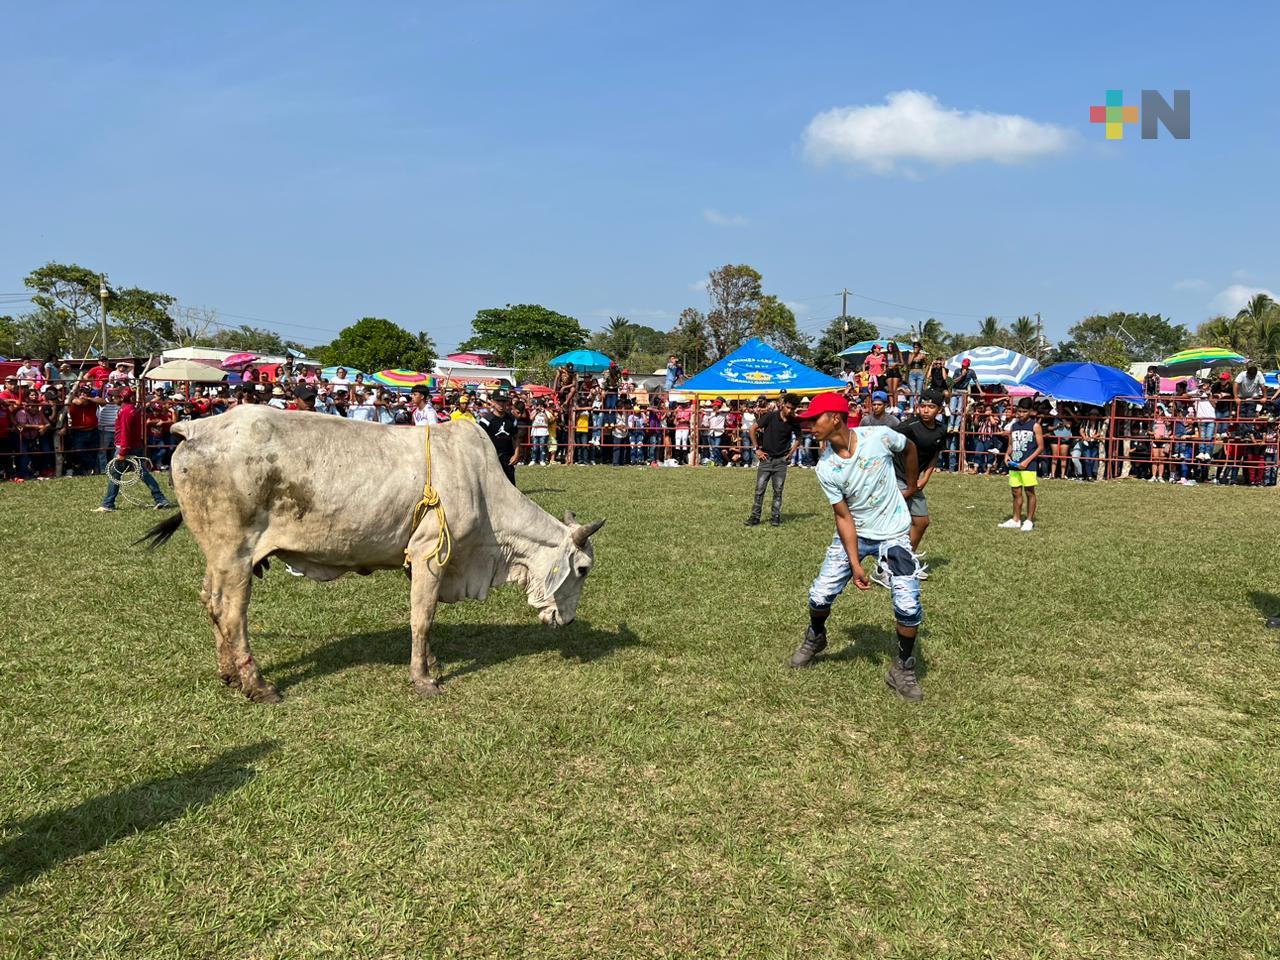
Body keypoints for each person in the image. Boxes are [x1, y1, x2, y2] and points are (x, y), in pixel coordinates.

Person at [788, 392, 926, 703]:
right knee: (819, 595)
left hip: (893, 533)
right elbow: (843, 517)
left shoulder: (879, 437)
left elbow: (910, 447)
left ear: (835, 418)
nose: (810, 426)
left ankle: (902, 668)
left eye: (814, 419)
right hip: (856, 533)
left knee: (908, 605)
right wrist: (855, 563)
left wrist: (911, 486)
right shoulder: (826, 467)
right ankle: (816, 635)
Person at [890, 388, 947, 562]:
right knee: (896, 522)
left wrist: (926, 478)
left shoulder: (941, 430)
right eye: (923, 406)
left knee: (922, 522)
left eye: (931, 407)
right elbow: (887, 440)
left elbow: (934, 454)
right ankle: (889, 563)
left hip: (914, 481)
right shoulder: (908, 426)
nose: (926, 410)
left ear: (940, 409)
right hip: (897, 475)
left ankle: (905, 560)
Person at [95, 388, 173, 511]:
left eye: (115, 396)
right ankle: (160, 498)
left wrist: (122, 451)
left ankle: (108, 504)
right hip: (135, 446)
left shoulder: (125, 411)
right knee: (142, 473)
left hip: (126, 447)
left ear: (121, 398)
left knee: (115, 474)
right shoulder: (131, 409)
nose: (113, 398)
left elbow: (125, 433)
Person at [745, 392, 802, 527]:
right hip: (766, 458)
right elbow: (752, 429)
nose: (790, 411)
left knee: (778, 490)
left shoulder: (794, 421)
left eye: (793, 409)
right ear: (783, 405)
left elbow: (799, 436)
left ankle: (775, 516)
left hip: (781, 461)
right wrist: (756, 449)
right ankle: (755, 517)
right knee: (759, 490)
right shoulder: (771, 416)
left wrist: (792, 452)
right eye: (788, 407)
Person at [999, 398, 1045, 531]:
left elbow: (1040, 447)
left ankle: (1029, 520)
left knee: (1029, 492)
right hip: (1015, 463)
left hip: (1028, 465)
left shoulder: (1035, 426)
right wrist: (1007, 455)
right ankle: (1016, 519)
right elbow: (1011, 444)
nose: (1021, 414)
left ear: (1030, 411)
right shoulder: (1014, 426)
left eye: (1024, 411)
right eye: (1019, 411)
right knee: (1015, 492)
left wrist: (1027, 461)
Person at [477, 389, 521, 484]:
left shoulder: (512, 419)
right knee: (492, 485)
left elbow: (516, 437)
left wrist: (516, 454)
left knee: (510, 485)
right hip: (491, 457)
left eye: (504, 401)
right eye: (498, 401)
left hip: (507, 458)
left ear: (507, 402)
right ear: (493, 402)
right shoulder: (485, 421)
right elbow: (480, 441)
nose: (501, 404)